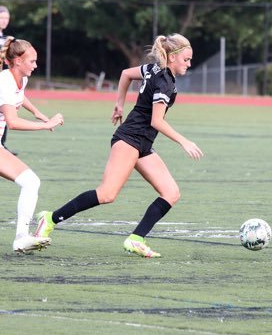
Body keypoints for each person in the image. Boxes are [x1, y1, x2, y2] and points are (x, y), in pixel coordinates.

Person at [35, 33, 203, 258]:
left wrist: (119, 104)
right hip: (129, 139)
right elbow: (157, 121)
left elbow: (125, 74)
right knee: (106, 194)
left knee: (171, 192)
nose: (189, 64)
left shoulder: (153, 70)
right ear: (172, 57)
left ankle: (136, 239)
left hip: (142, 143)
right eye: (186, 59)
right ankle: (50, 218)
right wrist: (184, 141)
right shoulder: (164, 82)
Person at [0, 37, 64, 253]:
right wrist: (46, 126)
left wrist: (39, 114)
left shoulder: (20, 79)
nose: (36, 66)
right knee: (31, 182)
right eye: (32, 61)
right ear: (18, 61)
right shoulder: (5, 81)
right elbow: (13, 122)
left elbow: (21, 96)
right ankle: (20, 238)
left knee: (30, 182)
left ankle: (21, 238)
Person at [0, 5, 16, 155]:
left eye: (7, 18)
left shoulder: (8, 40)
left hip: (3, 81)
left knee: (5, 113)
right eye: (2, 18)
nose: (5, 21)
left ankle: (2, 144)